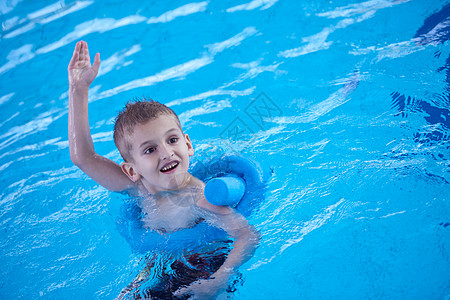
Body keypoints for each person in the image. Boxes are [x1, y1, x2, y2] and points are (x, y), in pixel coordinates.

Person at [67, 40, 260, 299]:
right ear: (132, 170)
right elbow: (84, 158)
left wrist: (220, 279)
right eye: (150, 150)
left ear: (188, 144)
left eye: (172, 140)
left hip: (203, 269)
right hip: (153, 272)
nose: (167, 153)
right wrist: (78, 90)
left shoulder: (200, 198)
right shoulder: (138, 188)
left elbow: (248, 236)